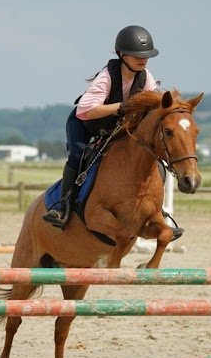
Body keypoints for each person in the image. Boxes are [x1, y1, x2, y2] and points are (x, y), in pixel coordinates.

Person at [43, 25, 160, 228]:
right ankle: (62, 206)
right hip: (85, 124)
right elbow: (85, 110)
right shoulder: (107, 76)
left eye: (146, 55)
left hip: (114, 127)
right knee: (78, 157)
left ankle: (155, 209)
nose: (143, 59)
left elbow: (154, 102)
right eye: (136, 55)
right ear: (122, 54)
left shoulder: (145, 77)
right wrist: (121, 107)